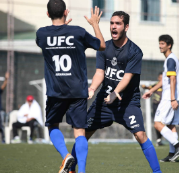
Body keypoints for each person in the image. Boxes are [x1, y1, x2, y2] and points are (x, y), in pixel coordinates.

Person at [70, 11, 162, 173]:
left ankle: (157, 172)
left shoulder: (134, 51)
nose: (113, 26)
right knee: (83, 133)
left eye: (118, 23)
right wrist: (92, 88)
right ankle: (70, 168)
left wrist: (115, 92)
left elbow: (127, 77)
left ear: (126, 27)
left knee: (140, 135)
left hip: (127, 104)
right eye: (112, 23)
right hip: (104, 102)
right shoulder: (104, 47)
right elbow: (100, 73)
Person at [36, 0, 106, 172]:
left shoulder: (42, 34)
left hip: (55, 91)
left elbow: (51, 41)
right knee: (80, 132)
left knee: (52, 125)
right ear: (66, 12)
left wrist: (60, 32)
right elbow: (102, 45)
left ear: (47, 14)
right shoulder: (78, 32)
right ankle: (81, 170)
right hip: (78, 90)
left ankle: (66, 156)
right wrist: (95, 24)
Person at [142, 35, 179, 162]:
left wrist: (172, 99)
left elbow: (173, 79)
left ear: (169, 45)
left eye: (162, 44)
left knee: (157, 123)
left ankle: (178, 146)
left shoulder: (170, 60)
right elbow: (166, 80)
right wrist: (151, 90)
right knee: (171, 125)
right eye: (159, 43)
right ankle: (172, 154)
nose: (160, 46)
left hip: (169, 98)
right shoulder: (171, 59)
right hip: (175, 96)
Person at [141, 72, 163, 146]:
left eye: (163, 77)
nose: (161, 79)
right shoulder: (156, 84)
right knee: (157, 122)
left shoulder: (167, 85)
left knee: (165, 123)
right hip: (156, 105)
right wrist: (145, 87)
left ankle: (169, 139)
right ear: (158, 78)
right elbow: (149, 87)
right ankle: (158, 139)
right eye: (160, 77)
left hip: (164, 106)